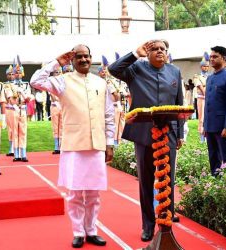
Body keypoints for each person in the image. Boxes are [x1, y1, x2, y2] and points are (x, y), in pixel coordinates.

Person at [30, 44, 115, 248]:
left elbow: (109, 115)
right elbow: (36, 81)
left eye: (86, 56)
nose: (83, 60)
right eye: (79, 57)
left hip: (96, 145)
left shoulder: (101, 83)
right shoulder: (62, 81)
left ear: (90, 58)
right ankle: (78, 232)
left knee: (94, 193)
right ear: (73, 60)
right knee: (75, 193)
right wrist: (57, 62)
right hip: (74, 146)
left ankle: (92, 231)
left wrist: (110, 142)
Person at [108, 40, 184, 242]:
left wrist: (180, 134)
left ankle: (166, 221)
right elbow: (113, 69)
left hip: (168, 133)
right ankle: (148, 225)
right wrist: (135, 53)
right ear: (147, 53)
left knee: (168, 178)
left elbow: (179, 104)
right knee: (146, 182)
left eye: (163, 49)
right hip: (143, 134)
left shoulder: (174, 71)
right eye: (155, 49)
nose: (160, 51)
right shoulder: (136, 69)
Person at [203, 46, 226, 176]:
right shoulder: (210, 78)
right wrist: (204, 125)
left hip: (222, 127)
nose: (211, 59)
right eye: (210, 57)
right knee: (213, 159)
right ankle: (216, 188)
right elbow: (208, 103)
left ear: (223, 58)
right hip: (210, 126)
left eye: (214, 57)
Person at [6, 63, 31, 162]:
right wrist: (15, 104)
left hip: (23, 109)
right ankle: (16, 154)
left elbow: (28, 98)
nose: (17, 74)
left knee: (23, 131)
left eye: (19, 72)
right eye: (16, 73)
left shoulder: (26, 84)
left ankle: (23, 154)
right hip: (14, 109)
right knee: (15, 131)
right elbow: (10, 98)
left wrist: (24, 94)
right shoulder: (9, 85)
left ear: (22, 73)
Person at [193, 52, 210, 142]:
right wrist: (206, 93)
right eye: (204, 66)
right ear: (201, 67)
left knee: (210, 116)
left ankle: (208, 135)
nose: (206, 68)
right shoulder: (197, 76)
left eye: (207, 66)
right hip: (202, 99)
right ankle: (202, 136)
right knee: (202, 117)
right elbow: (199, 86)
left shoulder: (211, 76)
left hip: (210, 99)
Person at [49, 69, 62, 154]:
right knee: (55, 126)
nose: (57, 74)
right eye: (56, 72)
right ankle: (56, 146)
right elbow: (51, 94)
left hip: (62, 106)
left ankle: (61, 146)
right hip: (54, 105)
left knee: (62, 126)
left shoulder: (63, 82)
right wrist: (56, 102)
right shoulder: (51, 83)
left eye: (59, 72)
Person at [4, 65, 15, 156]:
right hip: (8, 109)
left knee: (17, 129)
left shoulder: (18, 85)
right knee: (10, 129)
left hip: (16, 109)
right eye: (9, 74)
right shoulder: (4, 85)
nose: (11, 76)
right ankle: (11, 148)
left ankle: (17, 148)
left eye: (12, 74)